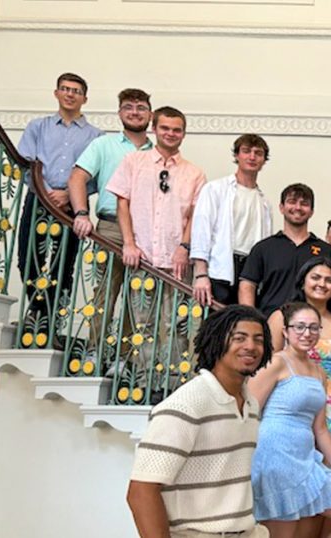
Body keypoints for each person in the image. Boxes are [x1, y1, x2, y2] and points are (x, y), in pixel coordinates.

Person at [127, 305, 272, 537]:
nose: (251, 347)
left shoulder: (251, 404)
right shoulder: (185, 405)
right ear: (216, 341)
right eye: (239, 338)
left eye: (258, 339)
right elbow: (141, 491)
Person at [106, 106, 207, 399]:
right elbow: (122, 203)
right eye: (165, 128)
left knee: (176, 323)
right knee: (143, 322)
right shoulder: (134, 162)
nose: (171, 134)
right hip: (144, 258)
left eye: (177, 129)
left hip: (177, 262)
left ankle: (172, 385)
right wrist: (128, 243)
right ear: (155, 129)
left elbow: (195, 216)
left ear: (183, 134)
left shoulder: (194, 172)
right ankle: (144, 382)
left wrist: (184, 248)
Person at [248, 302, 331, 538]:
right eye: (300, 327)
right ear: (285, 331)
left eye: (314, 328)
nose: (307, 333)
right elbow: (249, 412)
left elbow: (321, 429)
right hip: (276, 456)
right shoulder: (275, 363)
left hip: (306, 457)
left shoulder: (319, 371)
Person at [270, 258, 331, 538]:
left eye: (329, 279)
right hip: (295, 411)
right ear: (302, 281)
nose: (322, 284)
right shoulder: (281, 317)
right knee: (300, 489)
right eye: (316, 277)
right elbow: (269, 366)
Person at [67, 88, 153, 365]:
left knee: (137, 297)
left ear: (150, 114)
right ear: (120, 113)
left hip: (146, 232)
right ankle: (95, 350)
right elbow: (77, 177)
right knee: (105, 292)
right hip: (111, 228)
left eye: (141, 107)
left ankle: (124, 358)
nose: (135, 112)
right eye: (129, 107)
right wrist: (81, 213)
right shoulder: (104, 145)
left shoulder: (158, 150)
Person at [17, 72, 102, 343]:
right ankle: (41, 312)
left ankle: (43, 319)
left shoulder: (95, 136)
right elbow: (25, 164)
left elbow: (97, 176)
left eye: (76, 91)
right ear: (56, 93)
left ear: (84, 98)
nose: (70, 94)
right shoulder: (37, 127)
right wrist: (45, 192)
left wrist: (69, 194)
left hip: (72, 205)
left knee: (63, 264)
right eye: (65, 89)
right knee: (26, 258)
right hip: (38, 200)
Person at [190, 134, 272, 306]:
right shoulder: (215, 189)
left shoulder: (264, 202)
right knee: (216, 324)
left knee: (243, 324)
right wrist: (201, 274)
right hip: (220, 267)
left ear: (264, 160)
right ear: (236, 155)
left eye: (258, 153)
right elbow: (201, 231)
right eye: (246, 151)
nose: (252, 157)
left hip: (250, 269)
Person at [239, 183, 331, 316]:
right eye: (292, 202)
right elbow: (247, 285)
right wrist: (250, 319)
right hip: (269, 322)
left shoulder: (326, 251)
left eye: (304, 204)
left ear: (311, 211)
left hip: (313, 325)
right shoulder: (263, 248)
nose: (298, 207)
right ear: (281, 207)